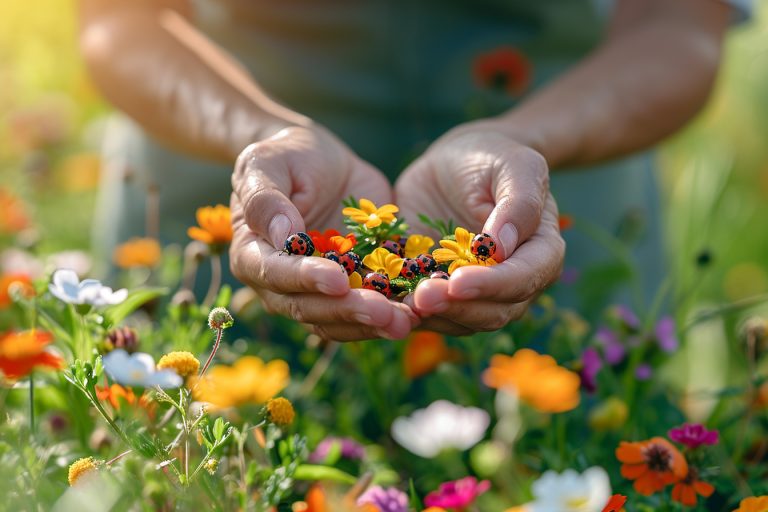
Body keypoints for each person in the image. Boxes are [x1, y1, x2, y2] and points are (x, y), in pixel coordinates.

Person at [80, 0, 750, 341]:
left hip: (552, 169)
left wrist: (524, 140)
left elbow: (679, 23)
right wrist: (261, 135)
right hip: (231, 172)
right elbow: (117, 18)